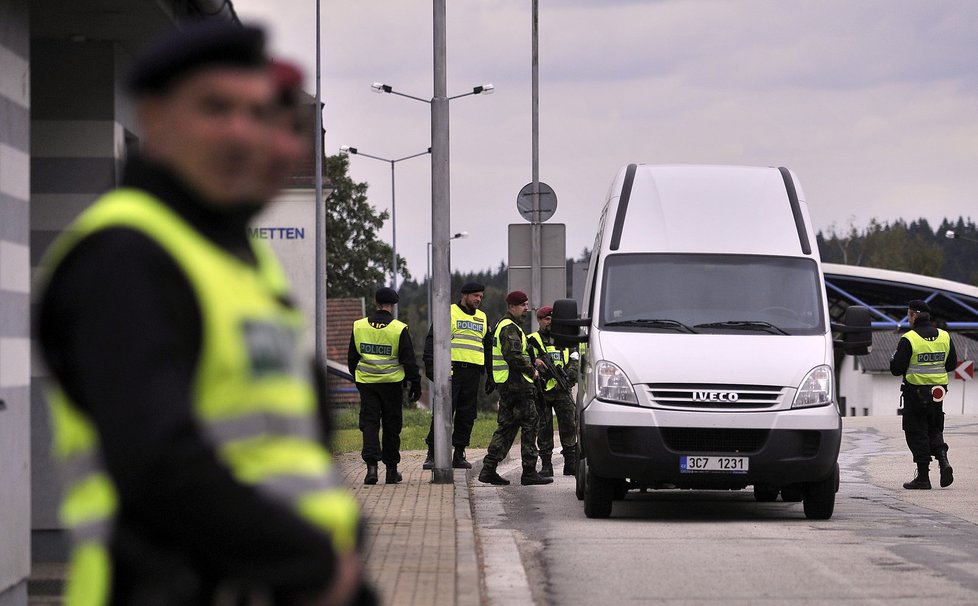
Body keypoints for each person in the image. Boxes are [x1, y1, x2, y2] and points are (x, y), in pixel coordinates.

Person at [37, 21, 372, 605]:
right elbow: (159, 464)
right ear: (157, 120)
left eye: (258, 113)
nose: (242, 132)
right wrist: (311, 562)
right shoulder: (127, 256)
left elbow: (285, 450)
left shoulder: (238, 260)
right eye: (215, 108)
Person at [348, 287, 422, 485]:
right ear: (393, 305)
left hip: (367, 384)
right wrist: (415, 382)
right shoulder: (398, 328)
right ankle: (391, 471)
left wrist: (359, 378)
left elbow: (352, 359)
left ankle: (371, 470)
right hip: (392, 385)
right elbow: (409, 360)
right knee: (391, 426)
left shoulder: (359, 326)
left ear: (376, 302)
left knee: (370, 425)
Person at [478, 291, 553, 486]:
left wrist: (533, 360)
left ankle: (488, 468)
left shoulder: (508, 326)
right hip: (516, 384)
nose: (526, 308)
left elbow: (517, 353)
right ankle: (529, 471)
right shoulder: (509, 327)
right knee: (531, 421)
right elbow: (513, 355)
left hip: (509, 384)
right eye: (522, 305)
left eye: (527, 304)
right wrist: (532, 370)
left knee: (507, 427)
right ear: (511, 306)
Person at [890, 299, 957, 490]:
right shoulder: (945, 336)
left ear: (914, 315)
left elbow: (896, 369)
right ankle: (943, 461)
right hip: (938, 394)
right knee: (935, 428)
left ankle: (923, 477)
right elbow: (951, 365)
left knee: (916, 431)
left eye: (908, 314)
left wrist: (894, 359)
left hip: (915, 394)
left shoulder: (909, 339)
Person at [422, 282, 490, 470]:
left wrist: (491, 375)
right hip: (451, 372)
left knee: (467, 416)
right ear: (464, 295)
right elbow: (432, 340)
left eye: (481, 296)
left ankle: (459, 454)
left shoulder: (483, 317)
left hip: (473, 373)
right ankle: (433, 454)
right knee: (443, 413)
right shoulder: (448, 311)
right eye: (475, 295)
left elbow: (488, 346)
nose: (478, 300)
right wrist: (431, 367)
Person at [527, 305, 580, 477]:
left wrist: (567, 379)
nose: (550, 322)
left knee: (569, 425)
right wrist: (534, 362)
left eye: (553, 319)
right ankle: (546, 465)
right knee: (544, 427)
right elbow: (523, 357)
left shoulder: (564, 339)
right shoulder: (531, 339)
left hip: (561, 389)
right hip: (541, 389)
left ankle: (570, 464)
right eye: (547, 319)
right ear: (539, 321)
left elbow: (575, 360)